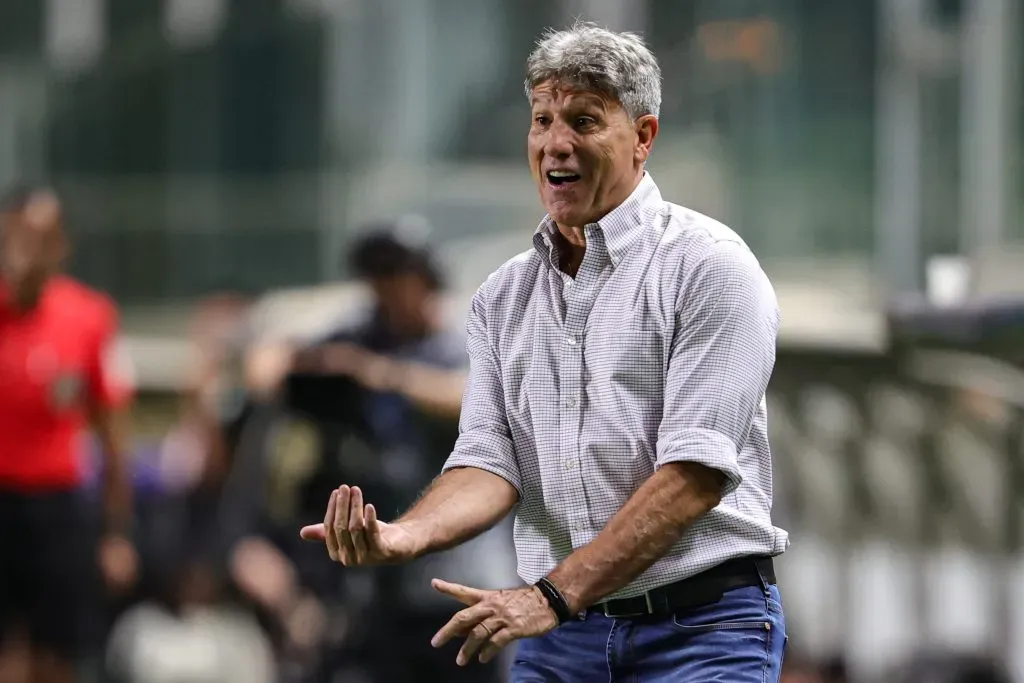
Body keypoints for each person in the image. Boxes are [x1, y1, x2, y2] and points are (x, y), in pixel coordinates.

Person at [301, 22, 789, 682]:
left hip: (700, 628)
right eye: (542, 119)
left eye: (585, 120)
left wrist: (553, 593)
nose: (556, 142)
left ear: (643, 137)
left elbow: (692, 476)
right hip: (562, 636)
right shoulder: (503, 298)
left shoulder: (710, 269)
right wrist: (405, 535)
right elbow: (489, 459)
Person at [250, 221, 514, 682]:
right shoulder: (361, 335)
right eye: (375, 275)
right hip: (381, 582)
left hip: (463, 573)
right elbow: (268, 365)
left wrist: (383, 375)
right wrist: (304, 367)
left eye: (395, 273)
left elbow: (472, 399)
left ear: (424, 276)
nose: (384, 288)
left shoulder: (463, 336)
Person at [0, 186, 138, 683]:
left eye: (44, 236)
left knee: (58, 655)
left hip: (57, 508)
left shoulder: (89, 318)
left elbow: (113, 435)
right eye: (20, 234)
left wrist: (116, 533)